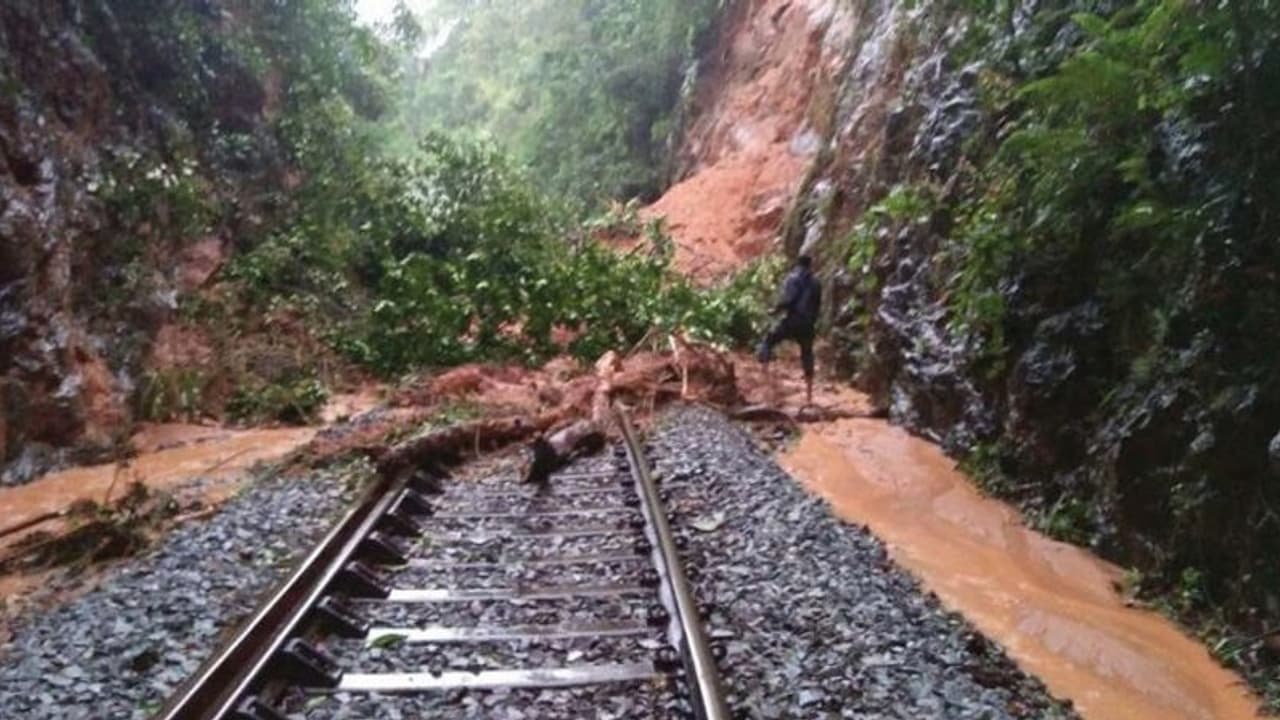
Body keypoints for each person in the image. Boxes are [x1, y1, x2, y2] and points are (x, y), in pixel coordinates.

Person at [758, 254, 821, 405]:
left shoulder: (793, 278)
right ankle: (809, 397)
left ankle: (765, 387)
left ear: (797, 264)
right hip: (808, 323)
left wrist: (775, 310)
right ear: (810, 265)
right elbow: (818, 305)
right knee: (807, 353)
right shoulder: (816, 283)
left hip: (793, 320)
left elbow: (789, 300)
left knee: (769, 340)